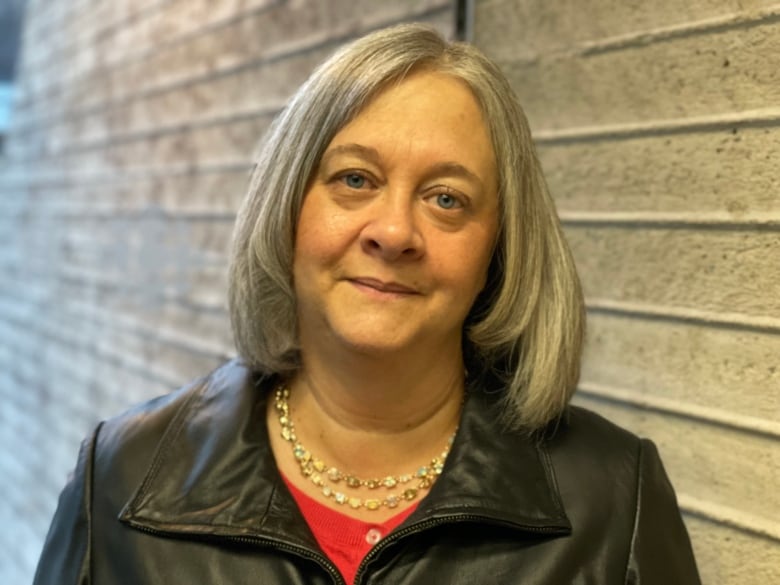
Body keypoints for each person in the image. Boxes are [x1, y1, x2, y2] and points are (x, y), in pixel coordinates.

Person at [34, 23, 701, 584]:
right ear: (288, 207)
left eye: (447, 198)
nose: (393, 232)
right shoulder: (120, 477)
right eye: (355, 179)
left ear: (500, 248)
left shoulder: (616, 498)